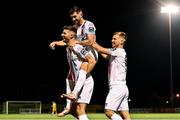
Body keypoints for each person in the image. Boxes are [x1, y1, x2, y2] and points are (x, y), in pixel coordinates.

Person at [49, 6, 98, 117]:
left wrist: (76, 44)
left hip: (90, 55)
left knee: (83, 68)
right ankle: (68, 106)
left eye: (75, 16)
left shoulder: (88, 25)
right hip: (78, 53)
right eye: (72, 17)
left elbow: (91, 41)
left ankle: (73, 95)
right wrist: (56, 42)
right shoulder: (74, 28)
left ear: (81, 13)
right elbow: (66, 41)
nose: (74, 19)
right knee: (70, 76)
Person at [53, 25, 95, 120]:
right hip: (78, 82)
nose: (62, 34)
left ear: (72, 35)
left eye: (64, 33)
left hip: (86, 83)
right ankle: (68, 107)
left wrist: (83, 74)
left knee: (80, 109)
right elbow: (72, 71)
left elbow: (91, 60)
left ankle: (72, 98)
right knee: (75, 110)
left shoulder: (78, 47)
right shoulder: (68, 48)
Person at [91, 32, 131, 120]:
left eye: (114, 39)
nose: (112, 40)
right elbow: (105, 55)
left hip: (117, 87)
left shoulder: (118, 51)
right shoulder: (118, 53)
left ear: (122, 41)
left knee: (108, 111)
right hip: (123, 87)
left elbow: (100, 48)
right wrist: (97, 49)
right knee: (126, 116)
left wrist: (92, 41)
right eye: (112, 38)